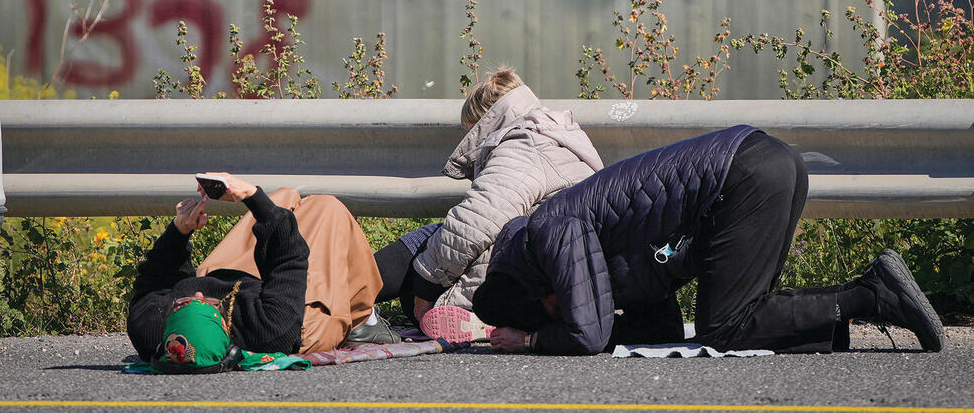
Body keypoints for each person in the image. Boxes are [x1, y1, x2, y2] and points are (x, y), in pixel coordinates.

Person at [471, 125, 945, 356]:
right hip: (761, 165)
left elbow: (587, 334)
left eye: (553, 306)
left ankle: (873, 294)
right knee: (737, 317)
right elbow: (657, 332)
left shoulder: (550, 230)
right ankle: (841, 317)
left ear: (540, 291)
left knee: (724, 330)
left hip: (744, 176)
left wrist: (531, 339)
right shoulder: (581, 242)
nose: (566, 303)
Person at [374, 66, 603, 342]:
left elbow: (476, 220)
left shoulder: (525, 144)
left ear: (485, 122)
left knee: (429, 241)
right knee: (438, 240)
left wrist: (426, 286)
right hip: (566, 280)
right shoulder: (562, 137)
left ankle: (344, 293)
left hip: (525, 282)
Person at [127, 173, 394, 373]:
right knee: (327, 208)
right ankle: (362, 321)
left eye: (184, 303)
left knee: (283, 197)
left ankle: (267, 206)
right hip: (300, 319)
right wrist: (253, 197)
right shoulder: (268, 328)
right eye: (206, 303)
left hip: (241, 287)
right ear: (223, 327)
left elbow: (155, 278)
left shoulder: (149, 327)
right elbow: (289, 261)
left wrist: (180, 230)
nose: (197, 292)